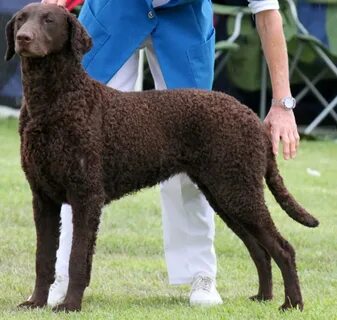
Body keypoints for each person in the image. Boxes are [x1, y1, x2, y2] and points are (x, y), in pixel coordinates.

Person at [43, 0, 300, 308]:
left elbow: (268, 15)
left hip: (183, 22)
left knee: (200, 147)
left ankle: (201, 275)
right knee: (78, 159)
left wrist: (283, 103)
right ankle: (65, 278)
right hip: (116, 11)